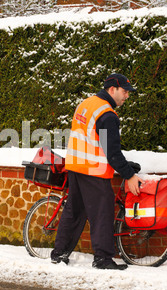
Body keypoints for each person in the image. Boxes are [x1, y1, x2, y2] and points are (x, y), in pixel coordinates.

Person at [51, 73, 144, 270]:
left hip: (76, 166)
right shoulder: (107, 114)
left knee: (74, 211)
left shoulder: (86, 104)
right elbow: (111, 151)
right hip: (93, 171)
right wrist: (129, 174)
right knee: (102, 213)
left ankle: (59, 253)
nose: (126, 96)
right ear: (112, 89)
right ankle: (102, 259)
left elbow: (91, 139)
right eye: (125, 92)